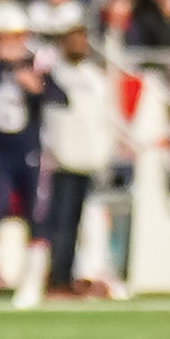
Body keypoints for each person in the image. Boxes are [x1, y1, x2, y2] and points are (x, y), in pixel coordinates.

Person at [0, 12, 53, 303]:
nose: (7, 44)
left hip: (30, 150)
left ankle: (32, 283)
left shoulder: (38, 63)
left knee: (34, 217)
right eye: (1, 37)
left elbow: (58, 96)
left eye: (12, 37)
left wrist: (35, 87)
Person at [45, 24, 123, 298]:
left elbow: (104, 117)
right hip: (62, 160)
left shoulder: (94, 78)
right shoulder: (54, 75)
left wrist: (107, 150)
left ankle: (90, 275)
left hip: (91, 160)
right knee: (62, 223)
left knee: (91, 222)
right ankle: (59, 278)